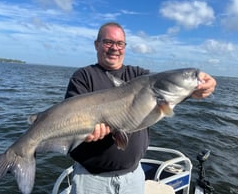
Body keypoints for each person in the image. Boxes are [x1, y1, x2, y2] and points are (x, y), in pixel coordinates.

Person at [65, 22, 216, 194]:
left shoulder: (140, 76)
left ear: (125, 47)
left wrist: (200, 87)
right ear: (96, 44)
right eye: (108, 42)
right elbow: (70, 120)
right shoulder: (83, 77)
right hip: (91, 180)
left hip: (134, 176)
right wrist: (84, 133)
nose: (115, 48)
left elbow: (171, 91)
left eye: (120, 43)